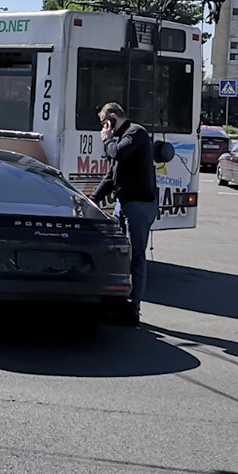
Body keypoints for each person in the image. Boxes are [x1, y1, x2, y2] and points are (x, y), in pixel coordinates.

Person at [91, 102, 158, 325]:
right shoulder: (122, 138)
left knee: (136, 257)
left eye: (104, 122)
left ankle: (133, 308)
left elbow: (117, 154)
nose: (103, 127)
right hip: (124, 203)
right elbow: (112, 175)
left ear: (111, 118)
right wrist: (94, 198)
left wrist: (106, 138)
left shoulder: (135, 133)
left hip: (139, 205)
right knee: (120, 256)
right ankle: (118, 303)